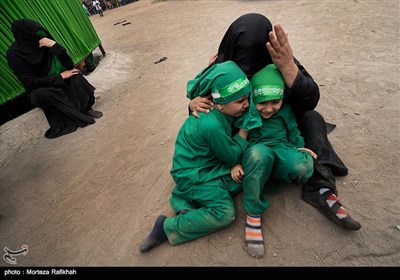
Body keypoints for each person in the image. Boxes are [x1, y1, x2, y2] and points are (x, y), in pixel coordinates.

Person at [189, 13, 361, 230]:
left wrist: (288, 67)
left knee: (313, 119)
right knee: (212, 137)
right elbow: (200, 107)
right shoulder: (223, 65)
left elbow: (311, 100)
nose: (248, 69)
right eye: (243, 61)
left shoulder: (279, 56)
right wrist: (193, 104)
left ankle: (319, 186)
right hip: (243, 134)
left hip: (282, 126)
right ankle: (212, 188)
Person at [139, 61, 252, 253]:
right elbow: (231, 155)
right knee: (225, 213)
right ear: (219, 103)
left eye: (247, 98)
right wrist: (244, 132)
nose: (247, 105)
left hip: (195, 168)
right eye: (240, 101)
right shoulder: (212, 125)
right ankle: (166, 228)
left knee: (240, 180)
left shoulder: (215, 114)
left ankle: (183, 200)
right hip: (196, 175)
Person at [231, 64, 315, 258]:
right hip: (257, 150)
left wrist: (300, 147)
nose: (269, 109)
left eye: (275, 102)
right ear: (253, 98)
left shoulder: (285, 110)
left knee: (302, 165)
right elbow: (239, 139)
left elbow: (293, 131)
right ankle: (253, 215)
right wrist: (235, 161)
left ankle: (266, 176)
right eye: (262, 103)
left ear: (282, 99)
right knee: (258, 155)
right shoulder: (247, 111)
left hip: (282, 147)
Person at [6, 19, 102, 139]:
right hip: (39, 87)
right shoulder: (14, 54)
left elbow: (68, 65)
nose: (39, 38)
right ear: (24, 36)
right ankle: (77, 117)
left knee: (75, 76)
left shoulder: (45, 43)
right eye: (35, 36)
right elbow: (30, 82)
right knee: (44, 94)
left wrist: (55, 46)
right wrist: (60, 77)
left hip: (57, 78)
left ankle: (86, 108)